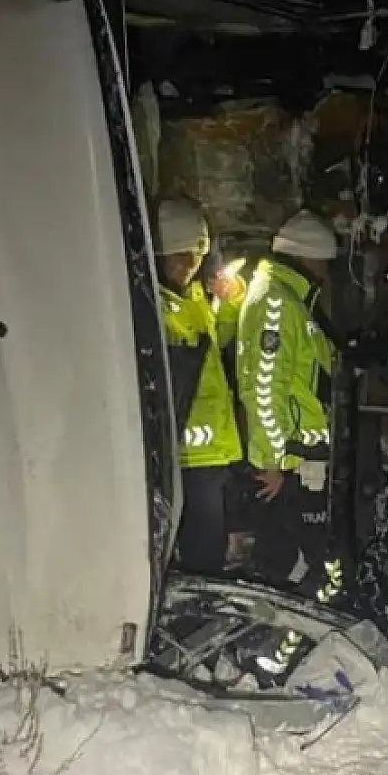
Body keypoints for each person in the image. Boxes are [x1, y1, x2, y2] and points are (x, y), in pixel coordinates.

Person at [234, 209, 341, 596]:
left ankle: (286, 644)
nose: (327, 275)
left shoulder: (287, 300)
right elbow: (265, 390)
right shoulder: (277, 304)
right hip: (287, 467)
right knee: (290, 566)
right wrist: (272, 463)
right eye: (325, 264)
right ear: (309, 259)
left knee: (303, 563)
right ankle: (275, 647)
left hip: (300, 460)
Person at [155, 198, 243, 574]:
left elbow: (218, 339)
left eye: (194, 256)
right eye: (181, 256)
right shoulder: (154, 306)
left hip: (210, 456)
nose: (188, 266)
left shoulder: (191, 297)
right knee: (198, 557)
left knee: (209, 550)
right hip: (186, 460)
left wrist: (232, 301)